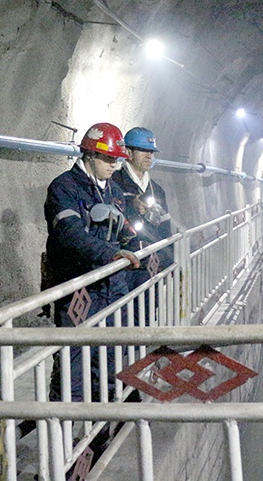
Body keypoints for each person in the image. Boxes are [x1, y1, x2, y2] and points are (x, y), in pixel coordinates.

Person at [43, 122, 140, 403]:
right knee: (75, 359)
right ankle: (67, 424)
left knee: (109, 354)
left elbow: (124, 228)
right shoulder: (64, 187)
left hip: (110, 285)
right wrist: (111, 254)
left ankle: (102, 422)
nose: (114, 165)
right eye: (109, 159)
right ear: (89, 155)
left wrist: (133, 245)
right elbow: (68, 233)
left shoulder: (113, 191)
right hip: (79, 287)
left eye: (117, 160)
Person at [111, 127, 173, 319]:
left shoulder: (157, 191)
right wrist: (131, 205)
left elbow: (165, 230)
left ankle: (141, 348)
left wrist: (169, 263)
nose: (149, 155)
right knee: (122, 318)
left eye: (151, 151)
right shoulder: (114, 183)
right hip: (124, 265)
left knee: (145, 316)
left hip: (149, 265)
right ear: (128, 152)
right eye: (144, 150)